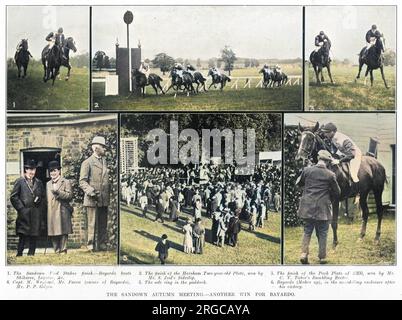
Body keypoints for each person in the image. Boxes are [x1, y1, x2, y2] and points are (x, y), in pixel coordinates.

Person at [297, 150, 341, 264]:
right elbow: (338, 192)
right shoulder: (331, 175)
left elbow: (299, 184)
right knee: (323, 233)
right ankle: (322, 257)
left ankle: (303, 254)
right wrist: (329, 198)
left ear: (318, 158)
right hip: (323, 209)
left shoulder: (307, 170)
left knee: (307, 231)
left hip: (307, 207)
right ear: (327, 162)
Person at [79, 136, 110, 252]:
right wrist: (91, 191)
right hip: (92, 198)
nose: (105, 149)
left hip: (103, 198)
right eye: (103, 147)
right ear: (96, 148)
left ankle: (102, 244)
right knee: (91, 224)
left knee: (103, 223)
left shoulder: (104, 161)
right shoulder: (87, 163)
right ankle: (90, 245)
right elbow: (82, 181)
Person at [10, 159, 45, 257]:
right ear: (25, 170)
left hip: (35, 213)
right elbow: (14, 197)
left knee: (34, 234)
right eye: (29, 169)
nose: (31, 172)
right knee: (23, 234)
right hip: (24, 213)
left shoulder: (39, 182)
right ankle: (19, 253)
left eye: (33, 170)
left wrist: (39, 200)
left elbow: (43, 196)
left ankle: (31, 254)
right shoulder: (20, 181)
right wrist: (21, 208)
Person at [46, 161, 73, 254]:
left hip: (63, 209)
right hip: (51, 210)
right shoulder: (48, 184)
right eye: (51, 171)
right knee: (53, 230)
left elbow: (69, 196)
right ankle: (56, 250)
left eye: (55, 170)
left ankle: (63, 249)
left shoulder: (66, 182)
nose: (53, 173)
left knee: (63, 230)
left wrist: (59, 193)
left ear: (59, 171)